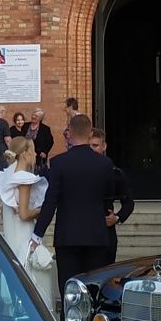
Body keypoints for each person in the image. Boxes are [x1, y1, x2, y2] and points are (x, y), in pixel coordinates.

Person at [33, 112, 125, 298]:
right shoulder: (105, 163)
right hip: (96, 233)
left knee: (69, 288)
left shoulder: (59, 163)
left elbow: (51, 200)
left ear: (70, 133)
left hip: (68, 234)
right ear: (90, 133)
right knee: (94, 289)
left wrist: (38, 232)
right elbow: (109, 193)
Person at [0, 136, 55, 307]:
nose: (34, 155)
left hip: (11, 234)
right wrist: (44, 210)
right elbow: (24, 214)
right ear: (25, 154)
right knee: (33, 283)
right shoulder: (24, 178)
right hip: (25, 233)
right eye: (32, 151)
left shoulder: (4, 176)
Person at [90, 129, 132, 265]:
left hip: (106, 232)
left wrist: (117, 218)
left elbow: (129, 203)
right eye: (89, 146)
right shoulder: (77, 172)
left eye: (95, 146)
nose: (92, 150)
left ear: (104, 146)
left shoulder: (116, 173)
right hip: (85, 232)